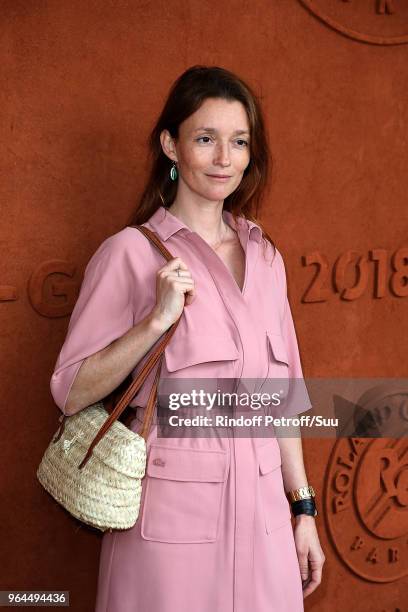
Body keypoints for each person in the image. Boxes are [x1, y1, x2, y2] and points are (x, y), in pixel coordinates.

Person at [50, 65, 325, 612]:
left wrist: (303, 511)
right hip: (170, 535)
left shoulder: (267, 259)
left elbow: (283, 398)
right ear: (171, 145)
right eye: (205, 139)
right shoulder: (129, 253)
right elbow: (70, 391)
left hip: (265, 525)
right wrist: (154, 323)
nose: (224, 158)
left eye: (239, 142)